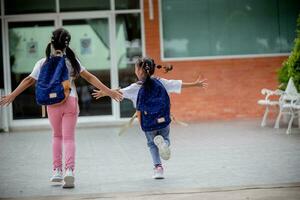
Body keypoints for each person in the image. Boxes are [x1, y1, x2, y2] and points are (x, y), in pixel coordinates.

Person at [0, 28, 123, 188]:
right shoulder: (72, 61)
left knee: (57, 136)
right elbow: (90, 77)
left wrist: (12, 95)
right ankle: (69, 172)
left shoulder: (43, 62)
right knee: (69, 138)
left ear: (52, 43)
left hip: (52, 105)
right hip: (70, 101)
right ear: (67, 44)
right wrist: (110, 92)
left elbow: (28, 80)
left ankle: (57, 171)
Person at [92, 57, 207, 179]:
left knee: (152, 144)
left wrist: (105, 92)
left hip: (148, 123)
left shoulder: (135, 87)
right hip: (164, 119)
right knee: (166, 138)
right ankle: (165, 144)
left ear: (139, 71)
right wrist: (196, 84)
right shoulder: (161, 81)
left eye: (136, 68)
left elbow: (119, 92)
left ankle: (158, 169)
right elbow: (177, 84)